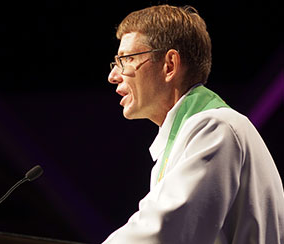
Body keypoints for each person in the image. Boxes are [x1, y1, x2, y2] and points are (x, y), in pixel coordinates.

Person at [104, 4, 284, 244]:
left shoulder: (215, 128)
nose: (113, 76)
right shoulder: (193, 132)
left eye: (127, 59)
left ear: (169, 65)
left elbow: (164, 232)